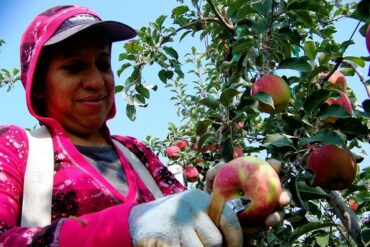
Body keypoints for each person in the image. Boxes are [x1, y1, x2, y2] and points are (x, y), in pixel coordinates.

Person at [0, 5, 289, 246]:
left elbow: (179, 226)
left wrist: (218, 208)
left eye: (103, 64)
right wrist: (126, 227)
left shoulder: (136, 153)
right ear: (38, 85)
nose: (96, 81)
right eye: (74, 68)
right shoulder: (15, 147)